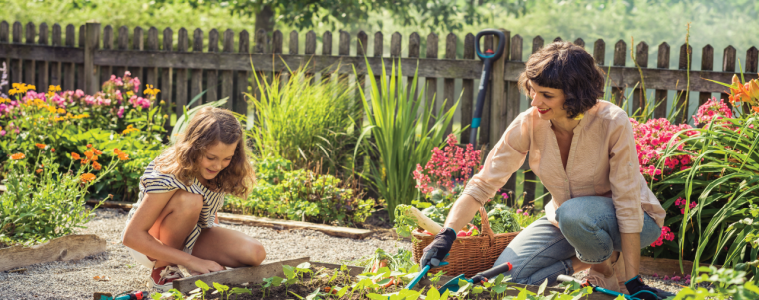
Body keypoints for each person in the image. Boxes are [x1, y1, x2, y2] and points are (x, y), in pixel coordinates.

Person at [420, 42, 669, 299]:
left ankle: (603, 265)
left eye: (547, 95)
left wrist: (633, 280)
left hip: (631, 221)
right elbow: (483, 184)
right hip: (566, 221)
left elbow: (627, 201)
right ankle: (583, 262)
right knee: (505, 279)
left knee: (573, 213)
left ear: (574, 94)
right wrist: (446, 234)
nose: (536, 101)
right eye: (533, 91)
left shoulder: (612, 122)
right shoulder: (529, 123)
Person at [122, 107, 265, 291]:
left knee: (255, 253)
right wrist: (193, 261)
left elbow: (208, 210)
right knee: (190, 200)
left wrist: (208, 256)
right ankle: (163, 269)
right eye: (211, 157)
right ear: (195, 147)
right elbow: (131, 236)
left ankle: (182, 261)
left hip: (190, 235)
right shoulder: (171, 172)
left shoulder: (220, 171)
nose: (218, 165)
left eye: (227, 158)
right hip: (148, 244)